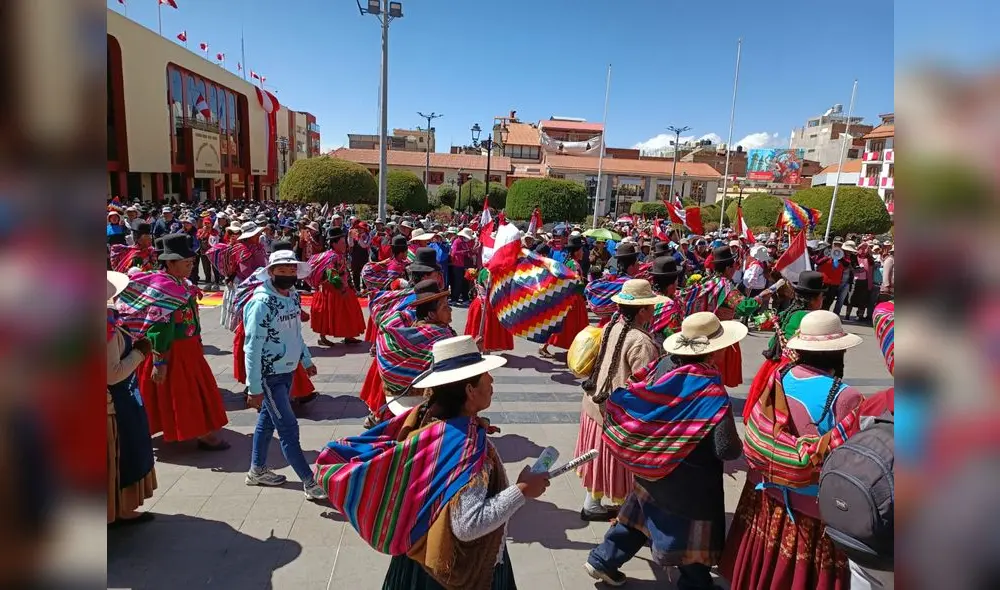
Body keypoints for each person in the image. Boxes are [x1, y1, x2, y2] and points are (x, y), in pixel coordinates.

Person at [316, 335, 550, 589]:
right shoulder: (465, 447)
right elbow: (467, 525)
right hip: (445, 569)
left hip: (415, 561)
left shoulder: (424, 417)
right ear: (470, 391)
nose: (492, 381)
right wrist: (522, 491)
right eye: (486, 375)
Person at [585, 312, 745, 588]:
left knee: (638, 515)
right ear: (712, 352)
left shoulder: (661, 365)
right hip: (690, 480)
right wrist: (740, 446)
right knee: (692, 532)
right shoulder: (710, 390)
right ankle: (694, 583)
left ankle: (603, 559)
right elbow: (725, 448)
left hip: (651, 462)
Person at [720, 310, 865, 590]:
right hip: (812, 509)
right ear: (839, 351)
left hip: (767, 494)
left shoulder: (780, 375)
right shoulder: (846, 396)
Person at [116, 234, 230, 451]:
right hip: (172, 351)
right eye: (186, 263)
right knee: (183, 393)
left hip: (188, 348)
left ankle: (195, 430)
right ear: (170, 263)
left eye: (192, 263)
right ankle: (202, 433)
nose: (191, 267)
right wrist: (160, 361)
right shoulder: (164, 287)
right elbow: (159, 326)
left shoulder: (179, 282)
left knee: (181, 392)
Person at [576, 279, 664, 521]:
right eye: (650, 306)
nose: (653, 310)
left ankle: (592, 505)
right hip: (615, 413)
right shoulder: (642, 342)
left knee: (596, 458)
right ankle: (629, 514)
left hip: (595, 402)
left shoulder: (611, 325)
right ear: (643, 310)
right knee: (622, 467)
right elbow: (644, 387)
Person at [242, 250, 327, 500]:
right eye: (282, 270)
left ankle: (256, 470)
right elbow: (252, 347)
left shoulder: (292, 296)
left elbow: (295, 333)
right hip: (270, 376)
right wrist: (253, 387)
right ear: (271, 272)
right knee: (288, 428)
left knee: (267, 421)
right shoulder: (261, 304)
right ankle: (309, 482)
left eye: (292, 270)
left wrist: (306, 360)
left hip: (287, 371)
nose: (288, 274)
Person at [107, 271, 157, 526]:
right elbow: (112, 374)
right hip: (109, 408)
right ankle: (116, 511)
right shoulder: (105, 329)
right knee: (117, 459)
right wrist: (139, 353)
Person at [745, 270, 827, 421]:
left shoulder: (791, 312)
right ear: (815, 300)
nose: (823, 300)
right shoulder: (811, 318)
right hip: (793, 368)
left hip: (774, 365)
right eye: (822, 296)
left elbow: (767, 333)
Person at [682, 245, 769, 388]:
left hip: (701, 331)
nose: (735, 269)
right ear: (728, 268)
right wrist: (760, 298)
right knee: (716, 370)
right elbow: (743, 307)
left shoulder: (707, 282)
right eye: (734, 266)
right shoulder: (726, 287)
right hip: (719, 335)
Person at [309, 226, 366, 346]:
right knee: (327, 313)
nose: (345, 245)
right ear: (334, 244)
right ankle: (323, 337)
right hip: (331, 290)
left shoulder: (339, 255)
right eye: (342, 242)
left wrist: (351, 287)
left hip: (342, 288)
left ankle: (349, 335)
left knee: (348, 311)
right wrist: (342, 287)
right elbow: (332, 274)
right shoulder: (331, 257)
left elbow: (345, 272)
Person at [539, 235, 590, 358]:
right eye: (581, 250)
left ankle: (546, 346)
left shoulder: (567, 262)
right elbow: (576, 282)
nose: (583, 253)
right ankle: (573, 350)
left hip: (568, 298)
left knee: (563, 324)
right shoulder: (575, 265)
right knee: (573, 325)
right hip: (574, 299)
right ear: (577, 251)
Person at [465, 266, 515, 353]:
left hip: (483, 303)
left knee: (484, 327)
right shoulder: (486, 272)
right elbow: (489, 287)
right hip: (484, 304)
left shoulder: (487, 270)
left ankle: (485, 349)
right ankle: (484, 349)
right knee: (484, 327)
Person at [646, 256, 684, 346]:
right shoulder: (670, 308)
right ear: (671, 286)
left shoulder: (646, 299)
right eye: (676, 281)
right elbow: (677, 340)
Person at [449, 228, 473, 304]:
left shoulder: (465, 243)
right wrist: (466, 251)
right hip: (457, 265)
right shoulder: (457, 241)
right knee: (458, 282)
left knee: (465, 282)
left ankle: (465, 298)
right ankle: (454, 299)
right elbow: (454, 252)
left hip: (464, 265)